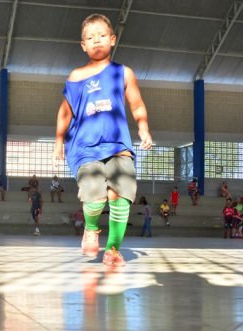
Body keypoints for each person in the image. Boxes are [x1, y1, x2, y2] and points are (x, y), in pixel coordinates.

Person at [54, 14, 152, 267]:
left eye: (101, 35)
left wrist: (143, 128)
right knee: (95, 196)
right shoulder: (76, 76)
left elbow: (137, 104)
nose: (96, 40)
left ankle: (113, 249)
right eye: (90, 37)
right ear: (83, 45)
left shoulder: (124, 73)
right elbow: (65, 112)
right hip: (84, 147)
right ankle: (90, 227)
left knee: (120, 194)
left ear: (112, 39)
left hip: (118, 145)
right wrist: (58, 141)